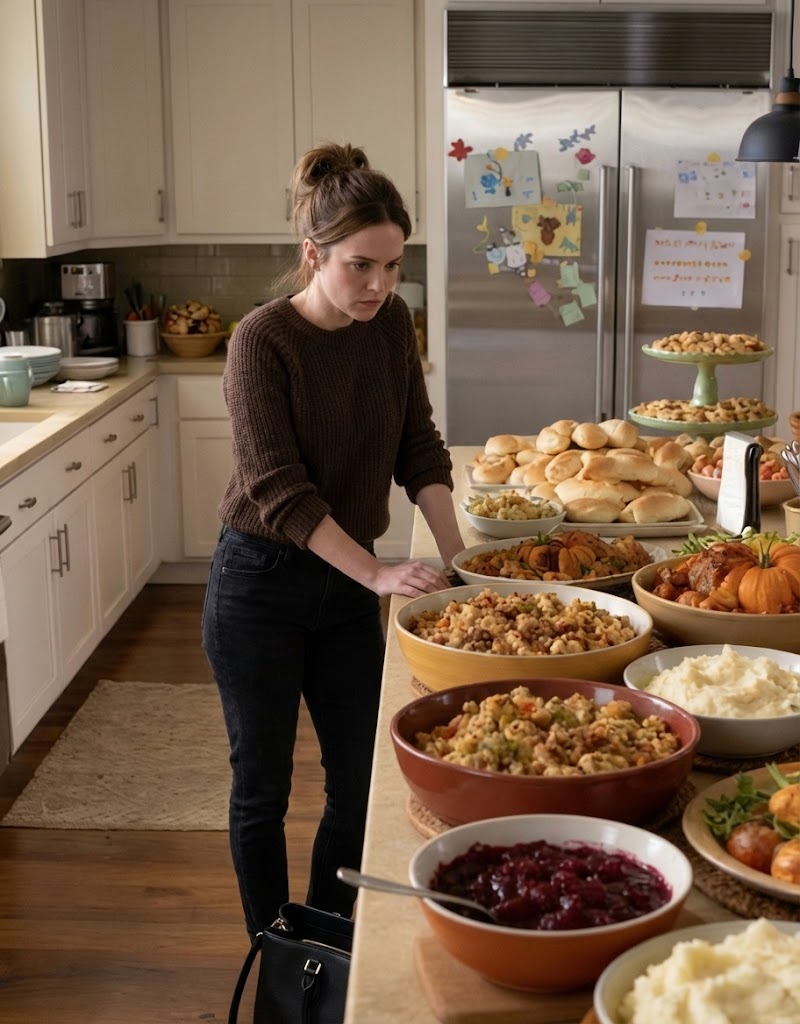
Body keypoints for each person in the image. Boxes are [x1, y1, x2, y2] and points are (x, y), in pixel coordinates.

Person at [201, 141, 465, 938]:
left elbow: (418, 447)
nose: (379, 286)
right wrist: (380, 574)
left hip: (346, 590)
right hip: (260, 586)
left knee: (358, 782)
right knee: (263, 788)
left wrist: (462, 566)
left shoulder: (390, 327)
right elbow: (278, 491)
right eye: (360, 266)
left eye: (393, 266)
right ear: (313, 254)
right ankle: (271, 955)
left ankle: (321, 938)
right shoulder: (261, 342)